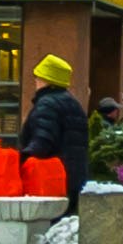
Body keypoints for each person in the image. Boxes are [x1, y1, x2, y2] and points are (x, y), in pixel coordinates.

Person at [20, 53, 90, 203]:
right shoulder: (73, 103)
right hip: (73, 178)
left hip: (50, 180)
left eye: (38, 77)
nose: (36, 81)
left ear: (46, 80)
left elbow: (43, 140)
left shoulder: (47, 104)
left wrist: (21, 159)